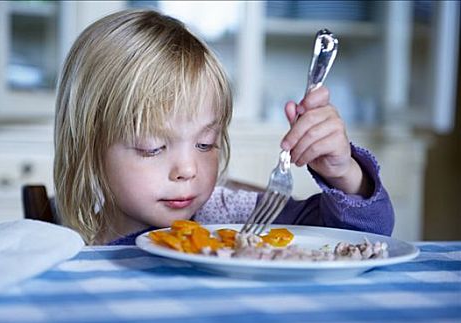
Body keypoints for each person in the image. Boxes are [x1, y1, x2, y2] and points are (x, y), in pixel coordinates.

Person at [54, 9, 394, 245]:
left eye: (206, 144)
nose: (188, 170)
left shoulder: (227, 215)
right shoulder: (69, 243)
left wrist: (343, 172)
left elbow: (366, 232)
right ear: (88, 146)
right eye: (152, 147)